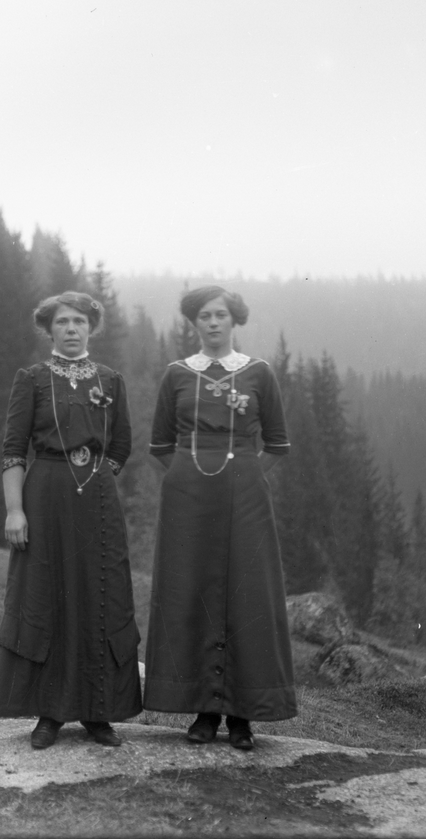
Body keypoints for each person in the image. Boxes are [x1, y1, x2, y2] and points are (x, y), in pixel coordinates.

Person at [0, 291, 143, 750]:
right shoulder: (31, 379)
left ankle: (100, 714)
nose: (71, 329)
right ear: (49, 330)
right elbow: (13, 449)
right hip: (45, 495)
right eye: (62, 323)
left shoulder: (110, 381)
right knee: (45, 595)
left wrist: (93, 479)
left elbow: (121, 446)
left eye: (79, 322)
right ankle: (49, 714)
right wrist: (16, 510)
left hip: (96, 499)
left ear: (91, 328)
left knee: (101, 595)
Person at [143, 285, 296, 751]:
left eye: (221, 316)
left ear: (235, 321)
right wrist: (192, 475)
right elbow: (158, 447)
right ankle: (204, 712)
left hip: (245, 496)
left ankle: (242, 718)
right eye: (204, 316)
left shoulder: (258, 373)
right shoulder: (176, 375)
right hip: (188, 499)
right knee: (193, 589)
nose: (212, 323)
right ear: (194, 323)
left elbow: (278, 444)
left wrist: (245, 475)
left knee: (245, 592)